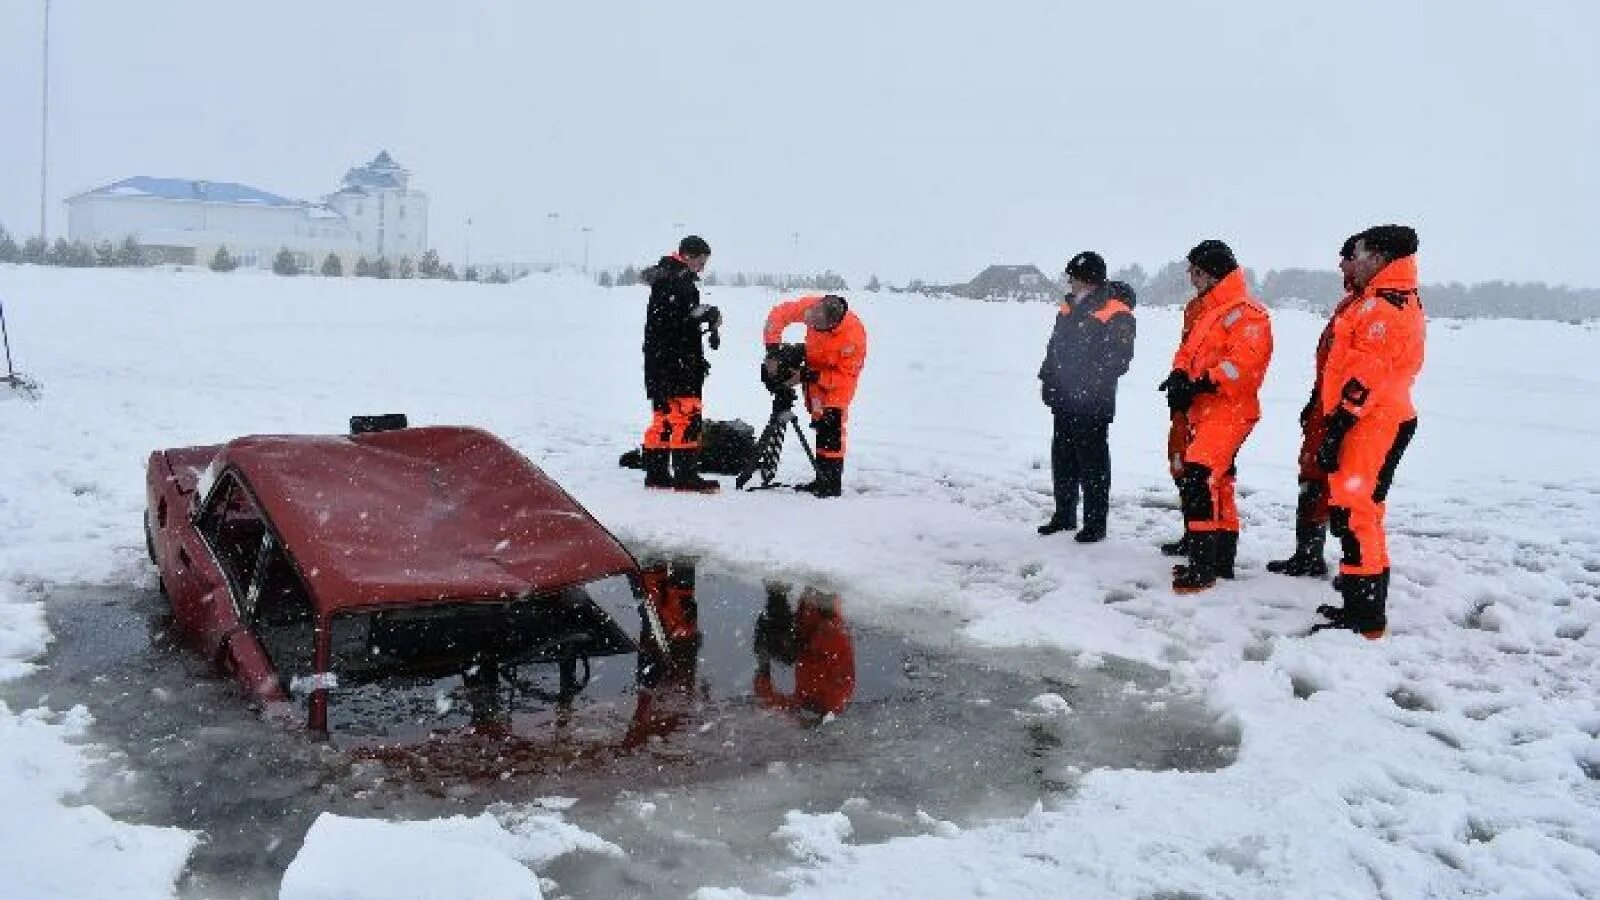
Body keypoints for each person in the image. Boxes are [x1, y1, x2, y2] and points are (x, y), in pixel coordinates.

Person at [1310, 225, 1425, 639]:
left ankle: (1365, 616)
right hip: (1371, 418)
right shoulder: (1377, 301)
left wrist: (1340, 421)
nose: (1351, 262)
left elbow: (1368, 373)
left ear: (1377, 258)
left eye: (1356, 254)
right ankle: (1362, 603)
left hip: (1371, 421)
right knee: (1364, 513)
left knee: (1355, 514)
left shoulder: (1383, 308)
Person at [1158, 240, 1274, 593]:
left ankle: (1202, 566)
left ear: (1212, 274)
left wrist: (1203, 382)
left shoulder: (1247, 313)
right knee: (1217, 484)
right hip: (1206, 411)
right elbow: (1187, 350)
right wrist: (1180, 374)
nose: (1191, 279)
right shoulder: (1209, 312)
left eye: (1196, 273)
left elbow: (1245, 365)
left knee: (1200, 478)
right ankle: (1219, 561)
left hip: (1230, 410)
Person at [1266, 236, 1362, 577]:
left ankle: (1357, 574)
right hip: (1326, 408)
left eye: (1347, 258)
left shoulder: (1368, 308)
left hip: (1348, 415)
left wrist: (1341, 415)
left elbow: (1364, 370)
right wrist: (1315, 400)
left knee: (1344, 492)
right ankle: (1307, 554)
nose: (1341, 266)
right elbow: (1332, 366)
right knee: (1311, 479)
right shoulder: (1348, 305)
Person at [1036, 251, 1137, 543]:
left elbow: (1117, 361)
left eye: (1073, 276)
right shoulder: (1068, 308)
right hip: (1064, 400)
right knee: (1063, 459)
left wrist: (1084, 387)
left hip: (1093, 404)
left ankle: (1095, 524)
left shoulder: (1117, 313)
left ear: (1087, 280)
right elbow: (1053, 348)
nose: (1069, 281)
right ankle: (1064, 515)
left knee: (1093, 465)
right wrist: (1048, 379)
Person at [761, 293, 868, 498]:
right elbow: (778, 315)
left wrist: (806, 375)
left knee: (830, 428)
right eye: (809, 317)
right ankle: (821, 479)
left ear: (831, 324)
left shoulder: (852, 337)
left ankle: (830, 484)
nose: (809, 322)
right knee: (819, 422)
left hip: (836, 383)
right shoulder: (812, 308)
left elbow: (846, 376)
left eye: (816, 323)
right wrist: (773, 352)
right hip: (814, 361)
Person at [641, 235, 721, 492]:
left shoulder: (665, 279)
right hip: (677, 362)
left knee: (663, 417)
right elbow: (678, 323)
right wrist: (705, 315)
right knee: (687, 415)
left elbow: (670, 321)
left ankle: (657, 474)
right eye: (701, 261)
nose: (702, 267)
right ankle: (686, 476)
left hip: (658, 361)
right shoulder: (678, 282)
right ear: (688, 256)